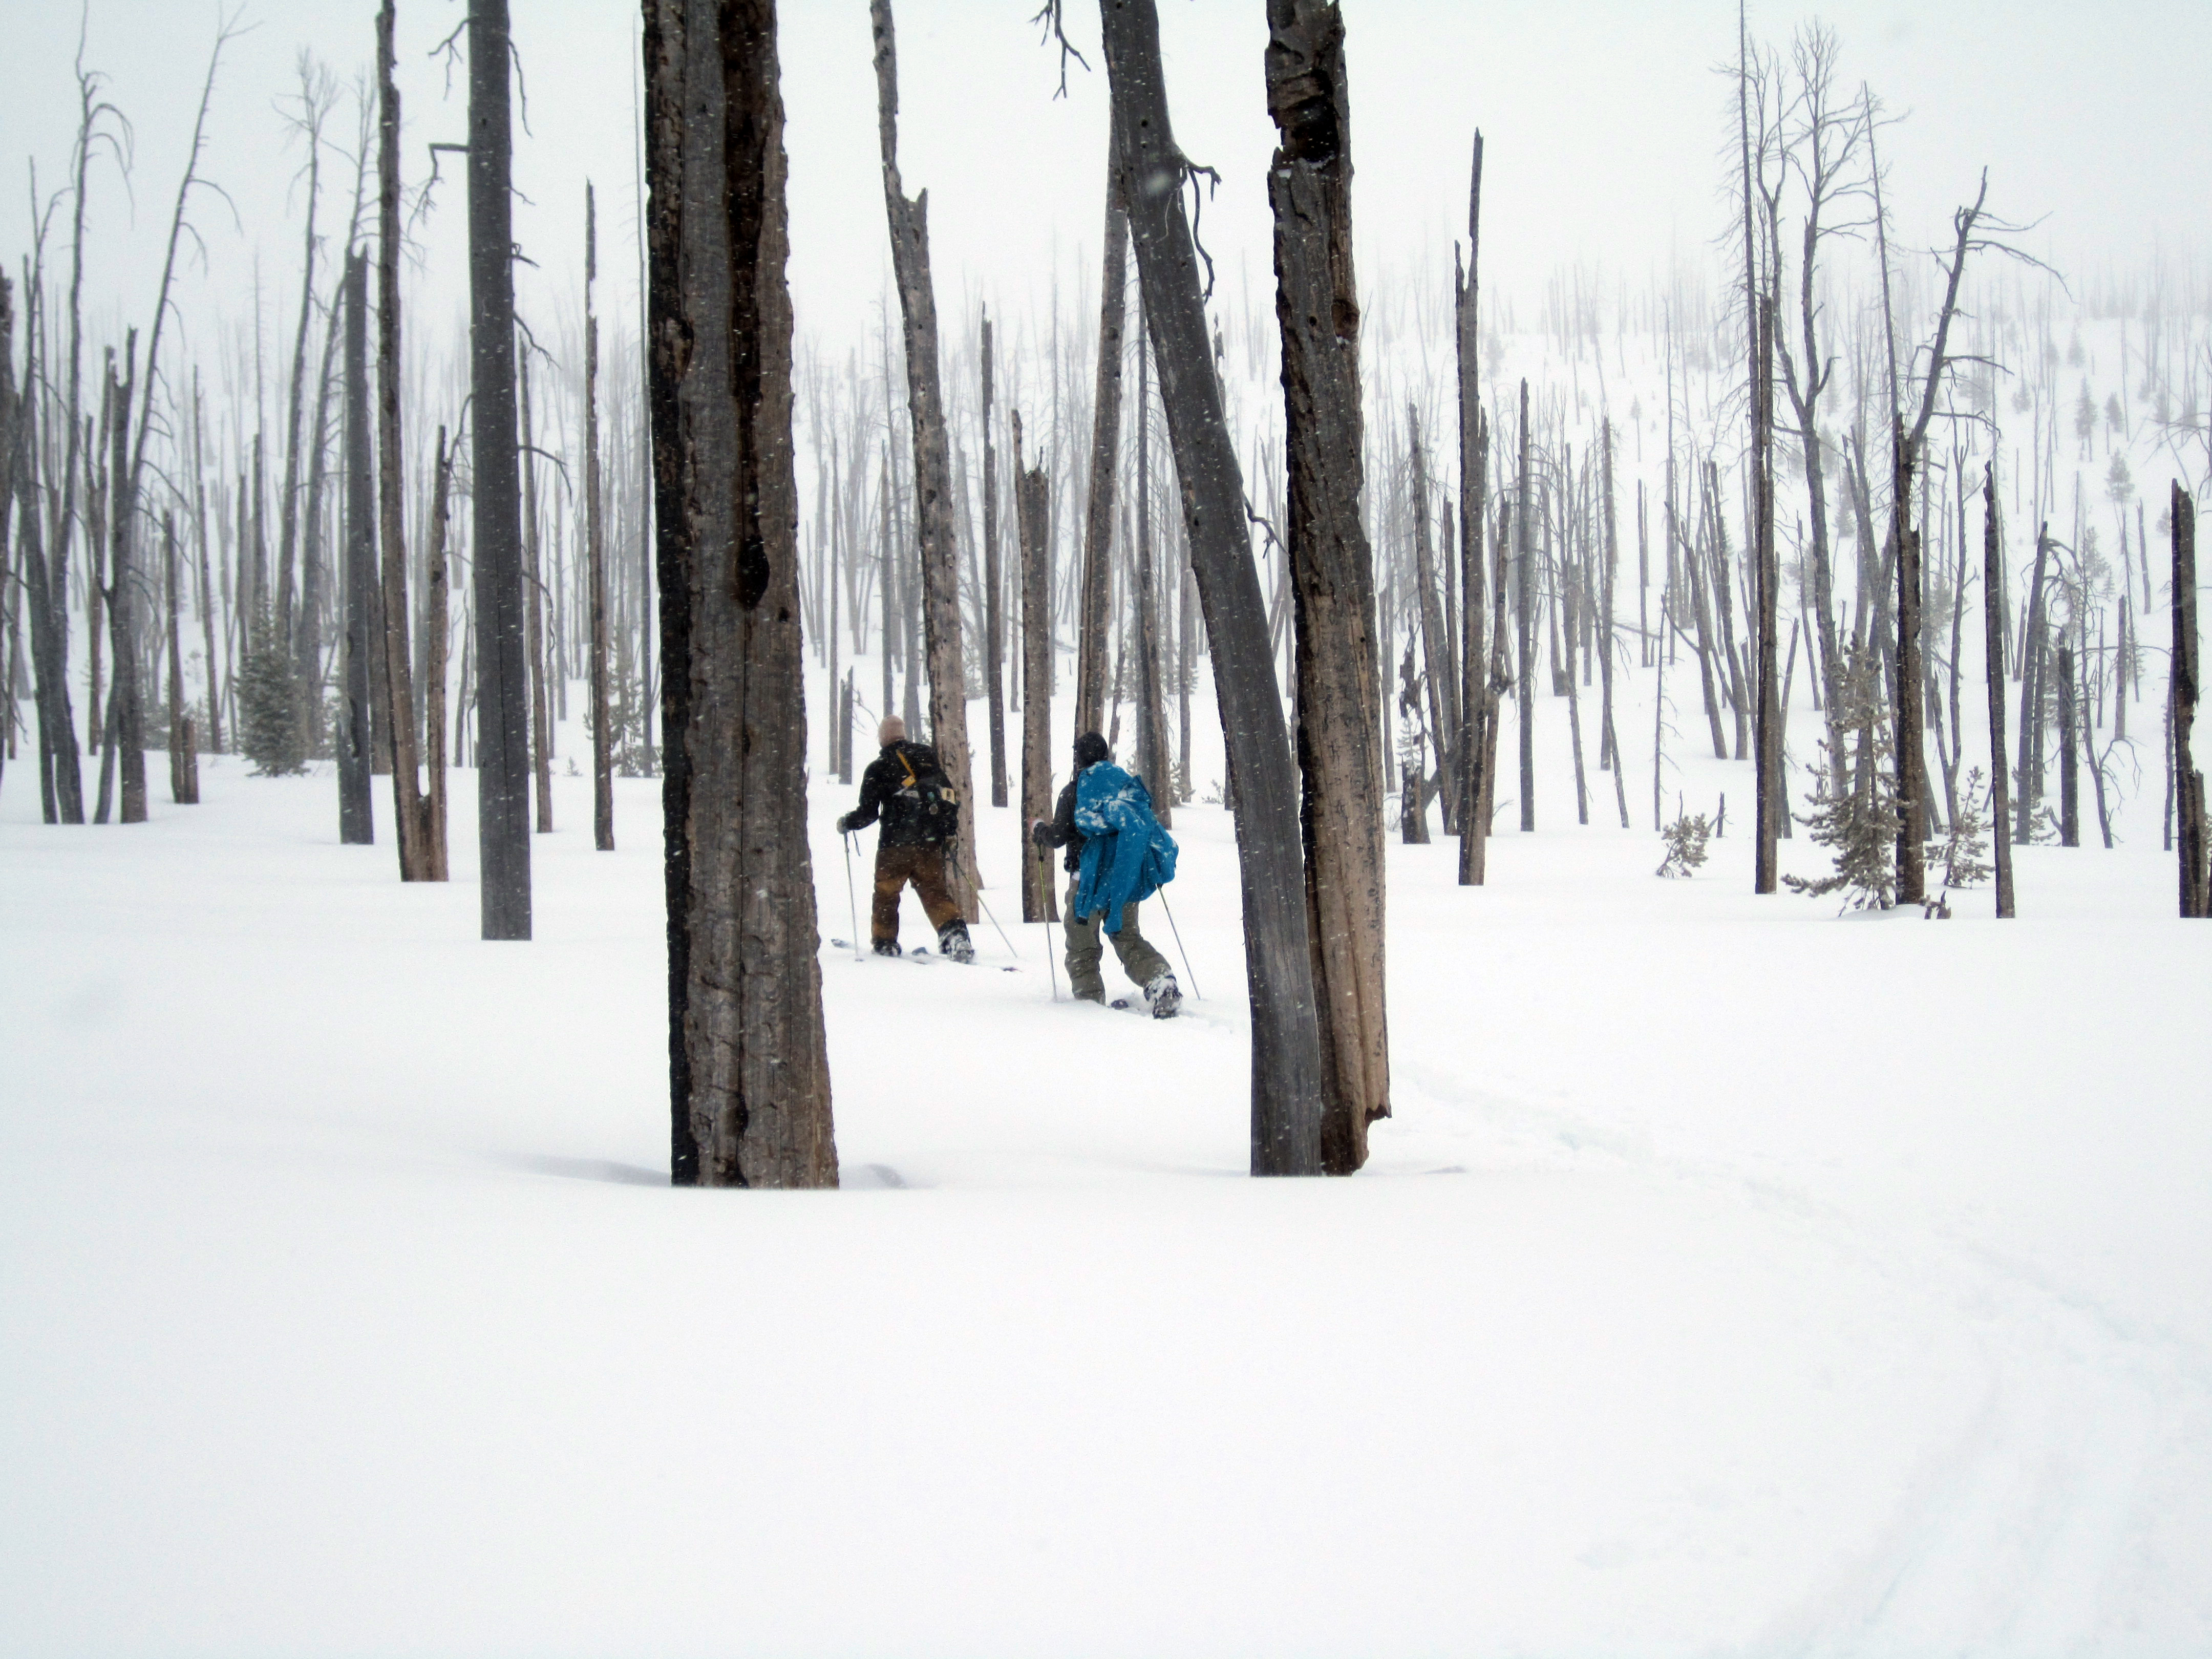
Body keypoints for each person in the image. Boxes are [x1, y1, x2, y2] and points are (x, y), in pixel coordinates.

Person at [1031, 731, 1181, 1016]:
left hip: (1085, 883)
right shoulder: (1125, 789)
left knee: (1081, 947)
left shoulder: (1073, 791)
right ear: (1105, 756)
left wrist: (1038, 829)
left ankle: (1090, 1006)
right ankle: (1160, 981)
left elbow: (1058, 837)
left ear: (1078, 758)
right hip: (1125, 880)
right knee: (1128, 937)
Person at [838, 716, 974, 962]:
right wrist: (947, 830)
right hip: (929, 841)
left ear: (883, 738)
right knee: (934, 891)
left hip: (895, 844)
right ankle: (955, 936)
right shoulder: (927, 758)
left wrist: (847, 823)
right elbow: (949, 796)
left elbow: (868, 813)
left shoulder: (878, 768)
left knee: (887, 893)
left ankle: (885, 942)